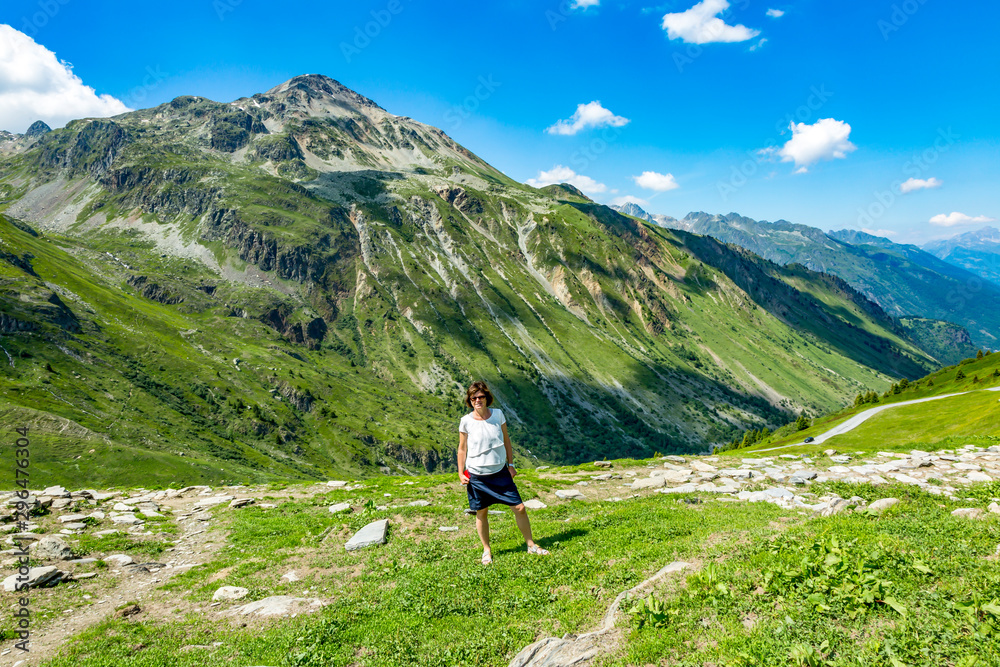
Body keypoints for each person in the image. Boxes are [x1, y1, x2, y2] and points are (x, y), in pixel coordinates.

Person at [457, 380, 549, 565]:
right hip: (477, 475)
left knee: (519, 508)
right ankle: (486, 550)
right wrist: (461, 473)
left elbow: (506, 440)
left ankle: (531, 545)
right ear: (469, 400)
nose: (477, 400)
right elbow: (462, 449)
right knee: (481, 513)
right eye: (473, 398)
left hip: (499, 472)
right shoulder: (466, 421)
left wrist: (511, 464)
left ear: (487, 398)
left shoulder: (497, 415)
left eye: (481, 397)